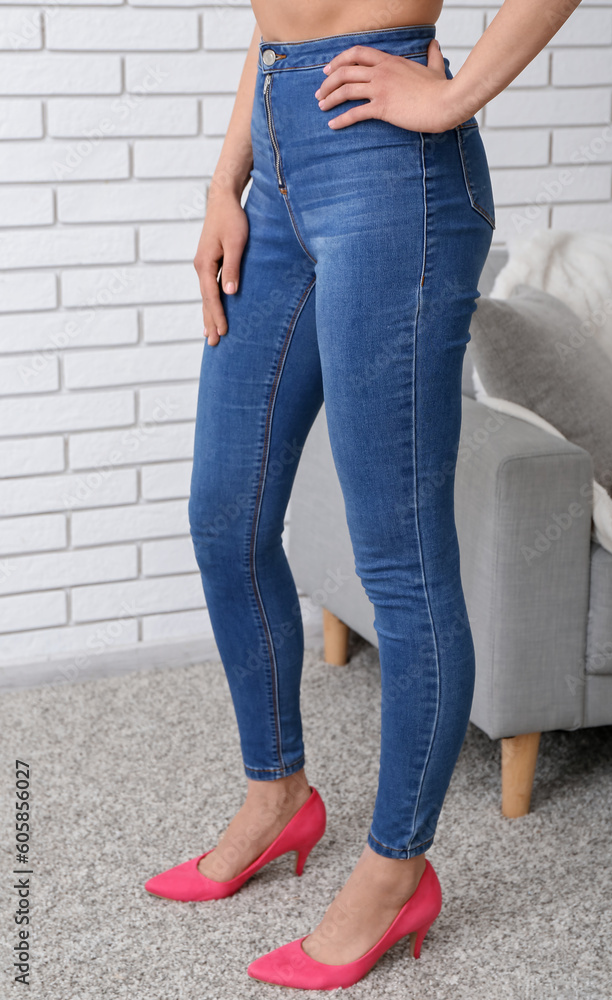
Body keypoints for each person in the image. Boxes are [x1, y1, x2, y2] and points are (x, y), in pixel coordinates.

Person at [144, 0, 582, 989]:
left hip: (393, 174)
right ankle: (277, 796)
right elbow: (275, 19)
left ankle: (394, 872)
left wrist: (457, 95)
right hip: (278, 158)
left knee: (399, 557)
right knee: (226, 516)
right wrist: (228, 180)